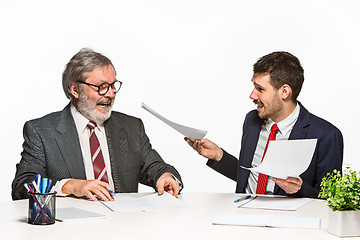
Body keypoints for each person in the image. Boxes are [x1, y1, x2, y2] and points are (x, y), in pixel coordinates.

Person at [12, 48, 182, 201]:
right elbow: (23, 185)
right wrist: (70, 186)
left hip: (124, 226)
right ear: (75, 90)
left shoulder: (131, 126)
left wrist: (165, 177)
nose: (111, 93)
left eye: (113, 85)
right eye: (102, 86)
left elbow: (154, 167)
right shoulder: (41, 131)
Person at [185, 51, 343, 198]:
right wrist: (218, 156)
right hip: (244, 214)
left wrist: (300, 189)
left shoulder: (326, 135)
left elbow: (332, 200)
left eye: (260, 89)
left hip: (289, 223)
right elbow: (249, 177)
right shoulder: (252, 121)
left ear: (284, 92)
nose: (252, 95)